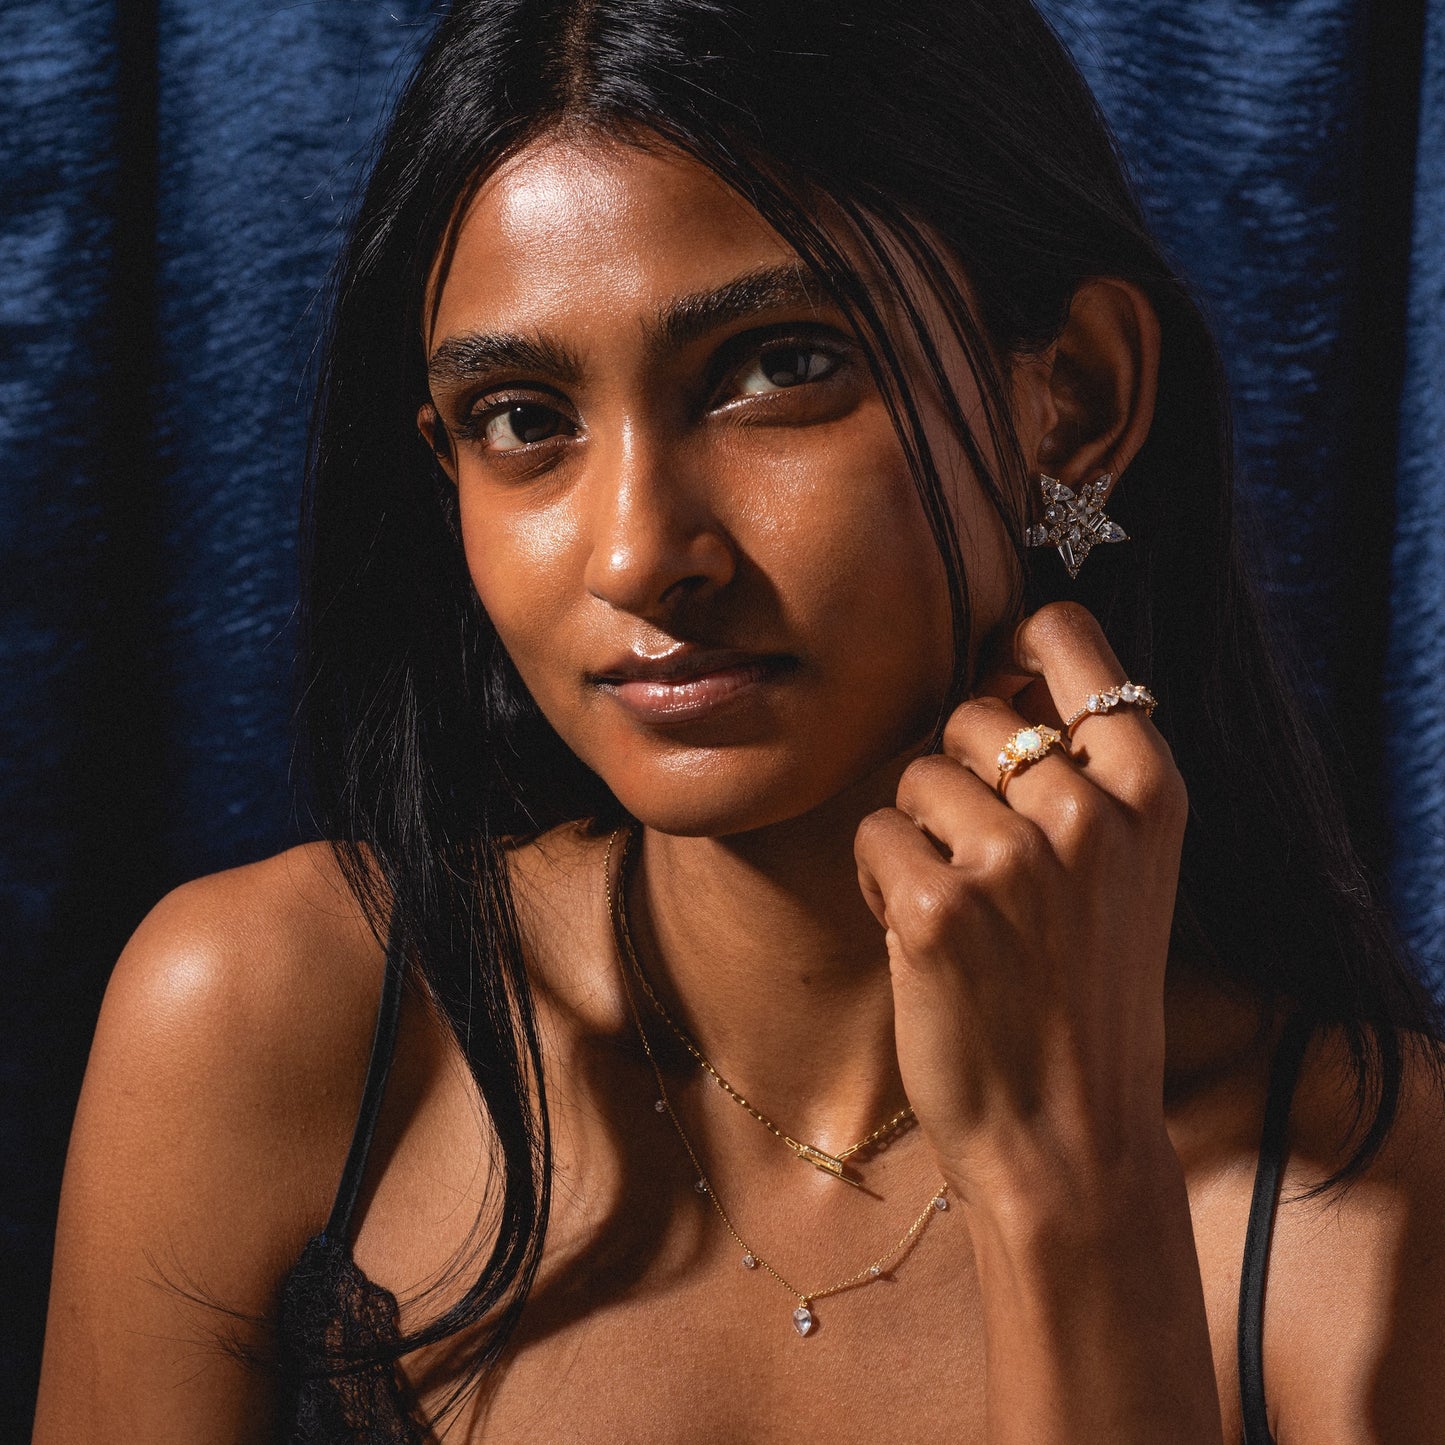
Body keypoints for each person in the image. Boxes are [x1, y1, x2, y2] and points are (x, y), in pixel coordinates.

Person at [33, 1, 1445, 1440]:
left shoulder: (1373, 1191)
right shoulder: (264, 1026)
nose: (641, 553)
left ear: (1069, 399)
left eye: (776, 367)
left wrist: (1067, 1186)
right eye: (524, 418)